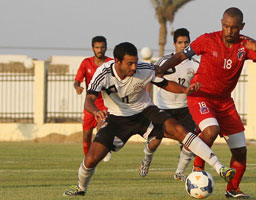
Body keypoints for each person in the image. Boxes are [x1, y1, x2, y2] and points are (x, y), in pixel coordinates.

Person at [63, 42, 235, 196]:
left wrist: (185, 90)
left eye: (135, 62)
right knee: (92, 158)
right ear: (117, 61)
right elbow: (89, 100)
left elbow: (165, 84)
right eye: (129, 63)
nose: (133, 67)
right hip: (117, 118)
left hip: (146, 112)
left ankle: (219, 167)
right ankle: (80, 188)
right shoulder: (103, 73)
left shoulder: (144, 69)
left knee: (181, 131)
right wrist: (96, 111)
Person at [158, 7, 256, 199]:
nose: (229, 31)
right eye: (226, 26)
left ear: (241, 27)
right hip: (201, 96)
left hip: (225, 103)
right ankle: (197, 171)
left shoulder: (246, 45)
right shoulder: (208, 40)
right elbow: (179, 56)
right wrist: (160, 70)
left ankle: (232, 189)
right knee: (211, 130)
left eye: (234, 28)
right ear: (222, 23)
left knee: (240, 151)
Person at [138, 28, 199, 181]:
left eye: (186, 42)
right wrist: (148, 98)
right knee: (154, 142)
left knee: (189, 141)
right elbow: (152, 78)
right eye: (180, 43)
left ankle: (179, 173)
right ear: (174, 44)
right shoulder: (164, 61)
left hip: (185, 109)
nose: (183, 45)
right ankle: (146, 160)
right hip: (164, 108)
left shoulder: (196, 64)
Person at [74, 36, 113, 162]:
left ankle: (105, 148)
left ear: (106, 48)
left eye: (102, 47)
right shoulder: (86, 63)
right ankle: (88, 160)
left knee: (101, 126)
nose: (99, 50)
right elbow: (77, 81)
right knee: (86, 136)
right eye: (97, 47)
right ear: (93, 48)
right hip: (90, 105)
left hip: (106, 103)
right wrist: (77, 87)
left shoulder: (111, 63)